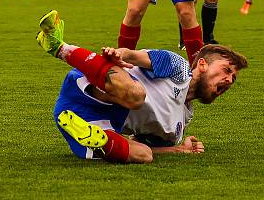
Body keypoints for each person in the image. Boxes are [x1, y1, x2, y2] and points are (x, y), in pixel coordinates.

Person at [36, 10, 247, 163]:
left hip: (94, 121)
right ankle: (60, 47)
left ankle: (95, 138)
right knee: (137, 96)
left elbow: (144, 144)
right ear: (202, 64)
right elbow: (133, 56)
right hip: (91, 87)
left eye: (233, 79)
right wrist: (118, 54)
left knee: (144, 155)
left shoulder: (182, 122)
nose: (229, 81)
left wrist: (180, 149)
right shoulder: (178, 67)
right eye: (226, 70)